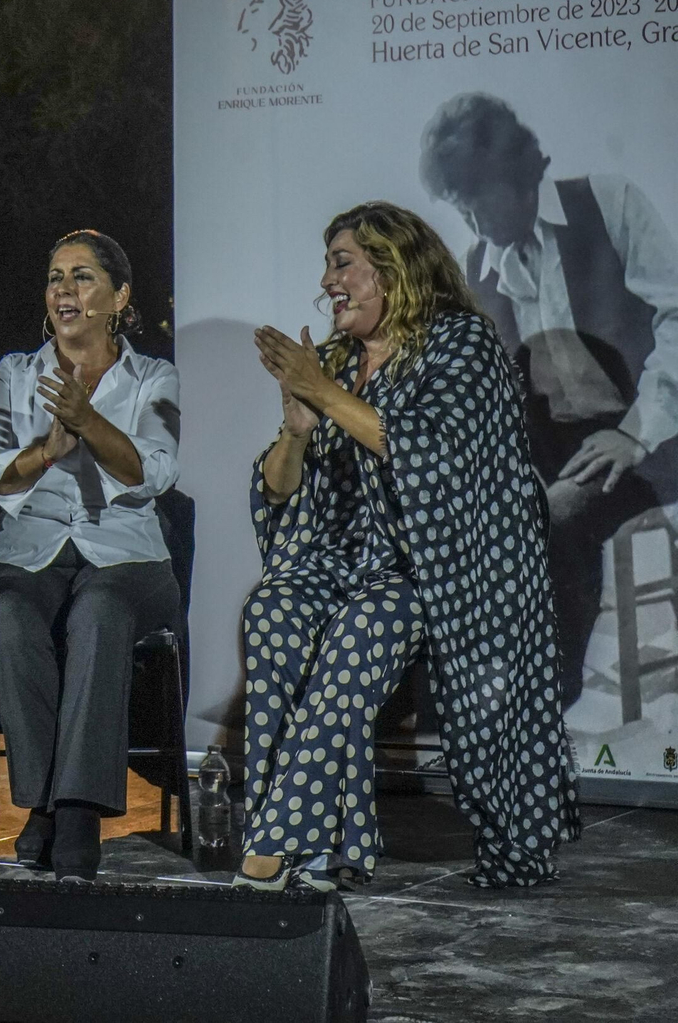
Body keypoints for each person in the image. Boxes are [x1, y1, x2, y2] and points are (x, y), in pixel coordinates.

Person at [241, 202, 580, 892]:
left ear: (395, 268)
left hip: (441, 568)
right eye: (328, 265)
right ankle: (326, 844)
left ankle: (275, 837)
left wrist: (325, 392)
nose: (328, 279)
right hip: (345, 561)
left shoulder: (462, 345)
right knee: (271, 608)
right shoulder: (334, 360)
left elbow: (426, 451)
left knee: (362, 627)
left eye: (344, 263)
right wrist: (299, 426)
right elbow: (278, 491)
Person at [419, 92, 678, 709]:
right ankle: (470, 696)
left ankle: (541, 702)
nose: (474, 226)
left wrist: (637, 431)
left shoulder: (608, 202)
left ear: (518, 176)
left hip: (653, 436)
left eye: (476, 202)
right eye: (459, 210)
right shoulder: (478, 267)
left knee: (550, 519)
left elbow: (677, 319)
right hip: (559, 448)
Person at [0, 230, 181, 881]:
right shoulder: (16, 372)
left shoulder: (153, 378)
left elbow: (158, 470)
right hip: (26, 555)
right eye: (56, 276)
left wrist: (90, 422)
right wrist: (44, 452)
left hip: (128, 560)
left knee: (99, 613)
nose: (64, 289)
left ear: (120, 296)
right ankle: (49, 801)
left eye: (82, 276)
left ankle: (78, 811)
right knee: (4, 621)